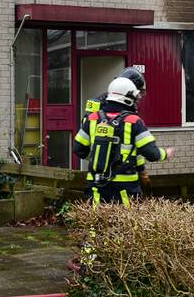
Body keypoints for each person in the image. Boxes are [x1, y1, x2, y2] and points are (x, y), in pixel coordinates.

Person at [73, 76, 174, 206]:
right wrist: (166, 153)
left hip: (96, 185)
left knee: (95, 223)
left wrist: (100, 157)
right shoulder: (134, 121)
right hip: (125, 188)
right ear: (128, 98)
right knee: (125, 225)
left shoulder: (92, 118)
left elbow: (78, 148)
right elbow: (152, 153)